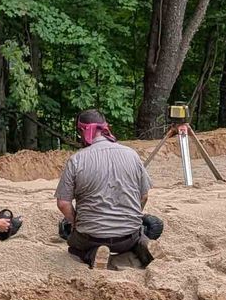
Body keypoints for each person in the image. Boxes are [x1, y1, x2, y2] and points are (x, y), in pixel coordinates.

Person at [55, 109, 155, 270]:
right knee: (137, 236)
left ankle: (93, 254)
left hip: (91, 237)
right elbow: (144, 196)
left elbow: (63, 203)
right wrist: (132, 218)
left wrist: (75, 223)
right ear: (105, 128)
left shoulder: (76, 160)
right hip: (128, 236)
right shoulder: (132, 155)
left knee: (73, 246)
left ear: (82, 131)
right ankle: (142, 245)